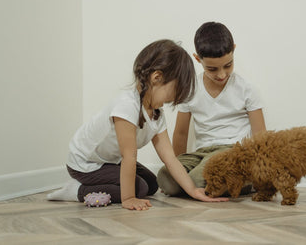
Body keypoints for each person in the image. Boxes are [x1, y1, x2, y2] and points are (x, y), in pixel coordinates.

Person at [47, 39, 228, 210]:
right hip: (85, 163)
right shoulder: (127, 106)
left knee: (151, 183)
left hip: (110, 161)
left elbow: (170, 158)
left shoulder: (157, 113)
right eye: (174, 92)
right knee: (138, 188)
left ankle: (99, 185)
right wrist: (128, 198)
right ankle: (77, 190)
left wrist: (192, 190)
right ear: (156, 77)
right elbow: (129, 157)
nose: (172, 99)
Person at [157, 22, 266, 196]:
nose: (222, 74)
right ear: (197, 59)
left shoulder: (247, 89)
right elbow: (181, 133)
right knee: (164, 176)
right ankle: (206, 186)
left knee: (198, 179)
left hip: (234, 151)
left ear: (234, 50)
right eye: (212, 69)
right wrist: (177, 169)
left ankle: (237, 181)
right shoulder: (191, 89)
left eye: (228, 65)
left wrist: (262, 176)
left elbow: (261, 137)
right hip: (202, 154)